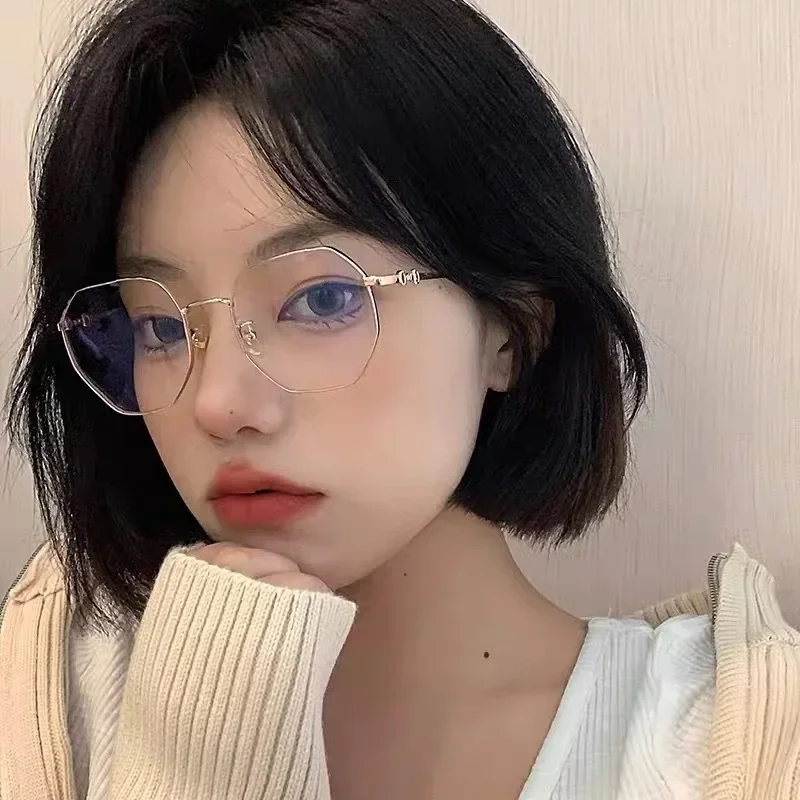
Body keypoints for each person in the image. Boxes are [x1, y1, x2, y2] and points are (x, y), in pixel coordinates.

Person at [1, 1, 797, 798]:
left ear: (511, 330)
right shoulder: (52, 702)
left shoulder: (724, 747)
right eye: (160, 327)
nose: (217, 404)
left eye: (321, 300)